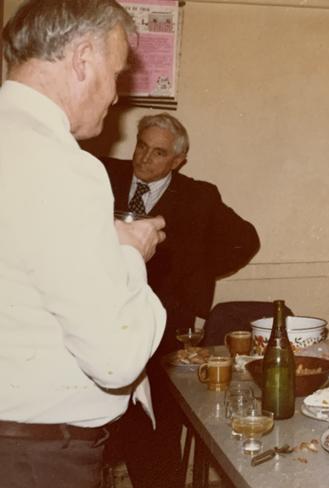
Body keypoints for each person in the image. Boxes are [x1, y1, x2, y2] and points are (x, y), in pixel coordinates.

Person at [0, 1, 167, 487]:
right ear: (83, 58)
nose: (116, 96)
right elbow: (117, 360)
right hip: (36, 457)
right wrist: (130, 253)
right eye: (116, 74)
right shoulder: (65, 165)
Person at [100, 112, 260, 488]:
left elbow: (246, 240)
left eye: (158, 153)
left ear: (177, 161)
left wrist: (195, 275)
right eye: (141, 146)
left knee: (157, 429)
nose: (144, 158)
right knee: (105, 424)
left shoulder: (198, 196)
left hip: (167, 326)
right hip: (106, 318)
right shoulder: (104, 175)